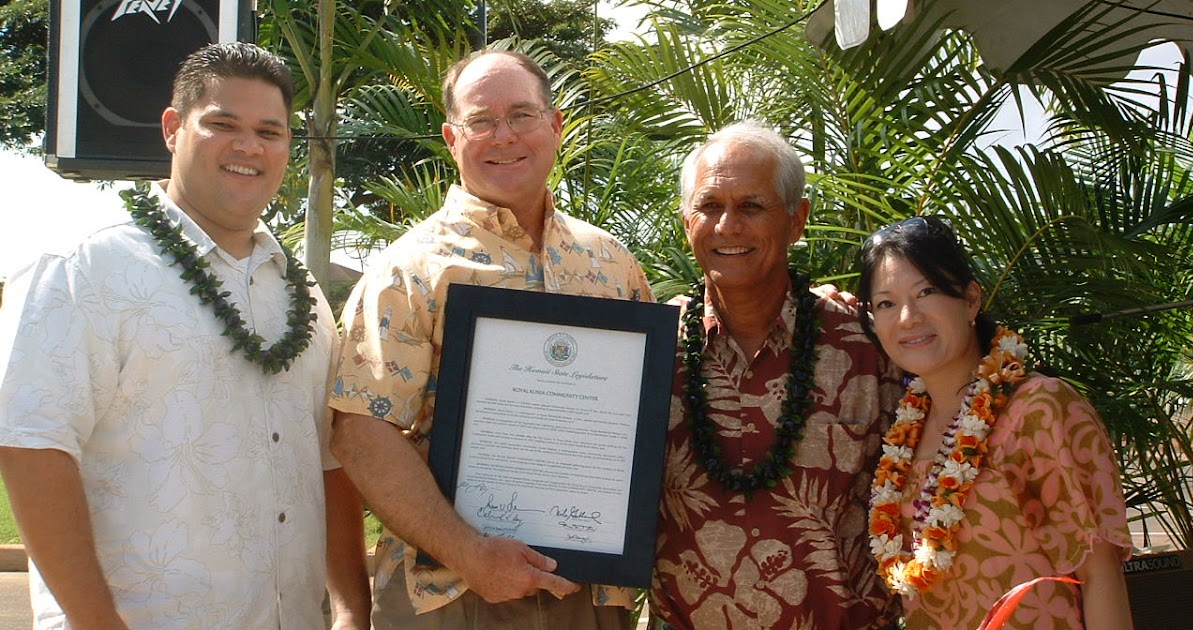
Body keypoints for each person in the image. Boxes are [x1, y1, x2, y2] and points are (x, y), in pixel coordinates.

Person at [0, 42, 370, 629]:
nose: (248, 146)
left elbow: (327, 460)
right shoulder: (83, 268)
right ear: (173, 128)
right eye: (223, 124)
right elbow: (32, 448)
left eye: (269, 132)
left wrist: (351, 606)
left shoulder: (301, 293)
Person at [328, 49, 653, 629]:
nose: (504, 136)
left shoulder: (612, 264)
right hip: (451, 595)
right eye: (481, 121)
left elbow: (646, 414)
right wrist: (468, 553)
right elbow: (361, 432)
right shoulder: (408, 271)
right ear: (452, 138)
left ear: (555, 125)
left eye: (522, 115)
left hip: (590, 593)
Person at [651, 120, 902, 629]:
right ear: (685, 221)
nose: (727, 226)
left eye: (751, 206)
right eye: (709, 206)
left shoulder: (867, 346)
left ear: (796, 220)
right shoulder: (649, 350)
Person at [855, 215, 1134, 629]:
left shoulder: (1038, 409)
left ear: (970, 299)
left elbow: (1100, 574)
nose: (908, 317)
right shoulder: (903, 432)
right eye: (886, 304)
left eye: (926, 291)